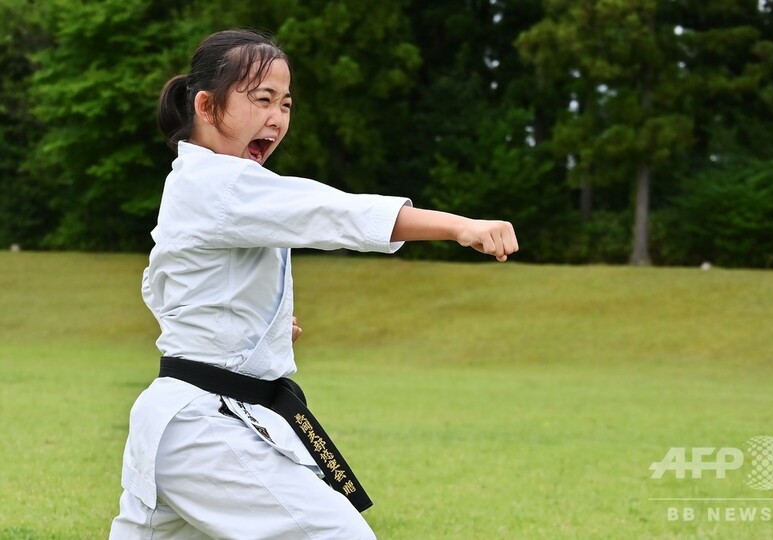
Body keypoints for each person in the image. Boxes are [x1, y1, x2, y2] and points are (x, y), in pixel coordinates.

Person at [110, 29, 518, 539]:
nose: (277, 118)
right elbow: (335, 213)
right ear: (207, 106)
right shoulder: (222, 184)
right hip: (203, 429)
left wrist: (262, 333)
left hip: (183, 425)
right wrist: (459, 227)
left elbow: (165, 286)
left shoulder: (195, 184)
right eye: (262, 99)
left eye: (285, 104)